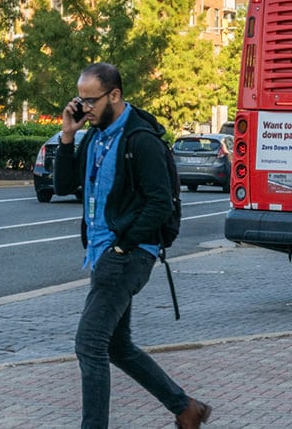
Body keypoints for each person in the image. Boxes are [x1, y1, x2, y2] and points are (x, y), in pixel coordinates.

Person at [53, 62, 211, 429]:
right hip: (103, 253)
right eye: (81, 101)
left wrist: (123, 246)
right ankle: (186, 408)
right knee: (116, 346)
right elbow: (62, 187)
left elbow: (161, 203)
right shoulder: (93, 137)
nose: (85, 108)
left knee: (89, 343)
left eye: (91, 101)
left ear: (115, 95)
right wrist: (66, 135)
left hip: (126, 255)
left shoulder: (141, 140)